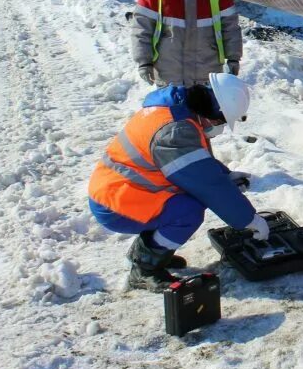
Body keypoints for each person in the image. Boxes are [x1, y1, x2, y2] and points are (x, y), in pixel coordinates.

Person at [87, 73, 269, 291]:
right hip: (117, 204)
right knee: (188, 211)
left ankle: (151, 251)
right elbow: (207, 185)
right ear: (213, 112)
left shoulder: (174, 111)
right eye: (220, 121)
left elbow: (196, 163)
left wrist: (225, 175)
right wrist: (248, 219)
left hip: (120, 192)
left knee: (183, 202)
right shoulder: (175, 132)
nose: (218, 127)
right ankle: (145, 268)